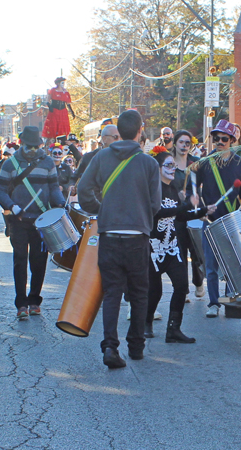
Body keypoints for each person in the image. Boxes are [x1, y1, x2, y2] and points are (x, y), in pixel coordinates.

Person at [78, 110, 161, 369]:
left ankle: (110, 347)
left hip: (110, 234)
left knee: (112, 292)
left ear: (118, 131)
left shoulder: (102, 157)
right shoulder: (149, 163)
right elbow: (155, 204)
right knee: (139, 293)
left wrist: (101, 209)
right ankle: (136, 346)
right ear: (139, 131)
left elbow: (83, 190)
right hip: (137, 237)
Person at [146, 148, 216, 342]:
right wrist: (184, 206)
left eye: (174, 165)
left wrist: (202, 209)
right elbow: (157, 212)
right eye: (168, 165)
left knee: (181, 286)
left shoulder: (175, 189)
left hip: (173, 247)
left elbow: (181, 215)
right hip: (153, 247)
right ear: (158, 168)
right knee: (155, 291)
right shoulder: (152, 190)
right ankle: (146, 322)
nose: (172, 168)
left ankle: (173, 329)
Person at [0, 126, 65, 319]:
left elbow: (53, 187)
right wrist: (12, 205)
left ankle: (34, 300)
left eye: (36, 147)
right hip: (18, 220)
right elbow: (0, 191)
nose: (33, 150)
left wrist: (60, 201)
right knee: (20, 260)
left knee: (39, 261)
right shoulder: (9, 165)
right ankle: (21, 303)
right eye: (29, 146)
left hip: (40, 221)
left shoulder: (48, 162)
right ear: (21, 143)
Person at [187, 119, 241, 318]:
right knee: (211, 265)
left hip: (232, 221)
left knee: (232, 263)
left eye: (224, 138)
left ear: (232, 140)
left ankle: (230, 300)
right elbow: (193, 188)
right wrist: (196, 201)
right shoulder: (204, 163)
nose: (220, 142)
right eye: (216, 138)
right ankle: (214, 303)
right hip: (210, 221)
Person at [171, 130, 205, 299]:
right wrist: (176, 195)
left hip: (193, 211)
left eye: (187, 143)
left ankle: (198, 282)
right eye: (181, 142)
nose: (184, 146)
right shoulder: (169, 164)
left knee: (196, 251)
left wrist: (198, 196)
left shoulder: (196, 163)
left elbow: (205, 182)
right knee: (180, 253)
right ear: (175, 144)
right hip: (177, 213)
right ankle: (183, 289)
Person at [42, 77, 73, 141]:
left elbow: (68, 103)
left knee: (63, 128)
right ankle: (52, 140)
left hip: (63, 111)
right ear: (58, 83)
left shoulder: (65, 92)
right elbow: (48, 100)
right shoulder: (53, 90)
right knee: (53, 126)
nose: (63, 84)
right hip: (54, 111)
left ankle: (62, 140)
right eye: (62, 82)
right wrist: (50, 106)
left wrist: (72, 111)